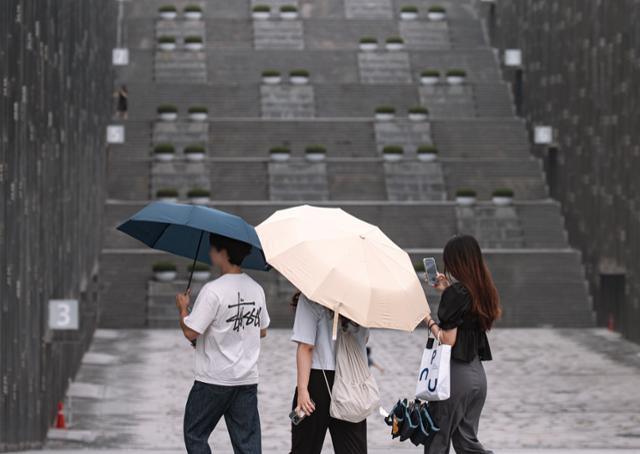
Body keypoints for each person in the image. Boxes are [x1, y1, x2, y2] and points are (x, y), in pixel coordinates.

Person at [175, 233, 270, 454]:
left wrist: (182, 308)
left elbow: (190, 331)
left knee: (195, 434)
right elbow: (262, 331)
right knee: (248, 444)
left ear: (223, 253)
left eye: (213, 249)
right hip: (246, 379)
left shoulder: (213, 290)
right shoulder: (256, 289)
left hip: (213, 380)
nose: (210, 253)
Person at [423, 235, 501, 454]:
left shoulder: (458, 294)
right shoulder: (482, 291)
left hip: (455, 375)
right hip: (477, 376)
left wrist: (427, 320)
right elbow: (464, 313)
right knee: (467, 444)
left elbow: (448, 339)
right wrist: (447, 290)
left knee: (437, 441)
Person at [289, 291, 369, 454]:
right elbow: (364, 340)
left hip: (317, 380)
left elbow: (306, 347)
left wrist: (302, 390)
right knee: (352, 449)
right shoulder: (363, 298)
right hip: (353, 382)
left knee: (304, 448)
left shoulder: (312, 296)